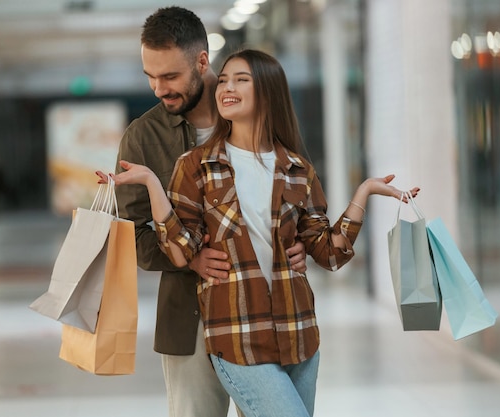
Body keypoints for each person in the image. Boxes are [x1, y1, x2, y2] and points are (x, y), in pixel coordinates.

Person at [97, 49, 420, 416]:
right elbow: (180, 250)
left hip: (299, 336)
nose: (226, 88)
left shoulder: (298, 169)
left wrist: (362, 194)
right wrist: (154, 185)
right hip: (236, 337)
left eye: (240, 80)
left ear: (267, 91)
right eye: (223, 81)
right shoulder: (196, 166)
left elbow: (329, 254)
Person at [114, 7, 307, 417]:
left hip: (266, 310)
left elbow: (295, 192)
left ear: (202, 61)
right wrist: (191, 260)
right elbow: (132, 234)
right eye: (150, 76)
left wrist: (300, 242)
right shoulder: (142, 138)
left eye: (169, 77)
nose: (157, 88)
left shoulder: (258, 117)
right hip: (189, 318)